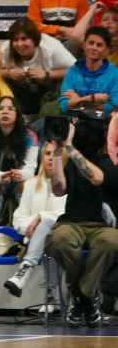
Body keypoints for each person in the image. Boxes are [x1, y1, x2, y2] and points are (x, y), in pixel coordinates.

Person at [44, 117, 118, 328]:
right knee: (59, 239)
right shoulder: (70, 162)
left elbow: (96, 178)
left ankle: (79, 296)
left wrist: (68, 145)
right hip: (72, 222)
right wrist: (58, 151)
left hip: (100, 225)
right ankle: (87, 298)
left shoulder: (111, 163)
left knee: (113, 241)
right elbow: (58, 189)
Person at [4, 141, 68, 298]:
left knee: (47, 225)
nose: (51, 158)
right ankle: (50, 295)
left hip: (63, 236)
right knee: (45, 229)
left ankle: (24, 271)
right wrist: (34, 226)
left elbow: (65, 215)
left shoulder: (69, 184)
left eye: (55, 154)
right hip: (35, 239)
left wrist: (40, 218)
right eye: (47, 154)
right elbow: (18, 218)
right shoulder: (31, 184)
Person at [0, 97, 38, 225]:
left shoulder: (30, 136)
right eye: (0, 109)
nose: (5, 112)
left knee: (26, 185)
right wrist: (0, 176)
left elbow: (30, 169)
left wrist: (20, 175)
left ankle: (26, 232)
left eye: (10, 109)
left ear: (17, 114)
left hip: (19, 181)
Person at [0, 17, 75, 115]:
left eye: (24, 39)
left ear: (34, 39)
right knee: (0, 79)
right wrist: (9, 73)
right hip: (21, 94)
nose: (19, 44)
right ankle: (13, 115)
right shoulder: (6, 49)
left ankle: (57, 116)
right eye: (15, 40)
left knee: (64, 80)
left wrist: (47, 74)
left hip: (49, 92)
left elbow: (76, 70)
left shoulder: (51, 47)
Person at [59, 26, 118, 114]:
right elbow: (64, 105)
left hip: (103, 124)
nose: (94, 48)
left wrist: (78, 100)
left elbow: (112, 107)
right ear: (84, 45)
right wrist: (91, 98)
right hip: (73, 122)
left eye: (99, 45)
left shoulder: (115, 74)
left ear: (107, 50)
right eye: (91, 43)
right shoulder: (72, 72)